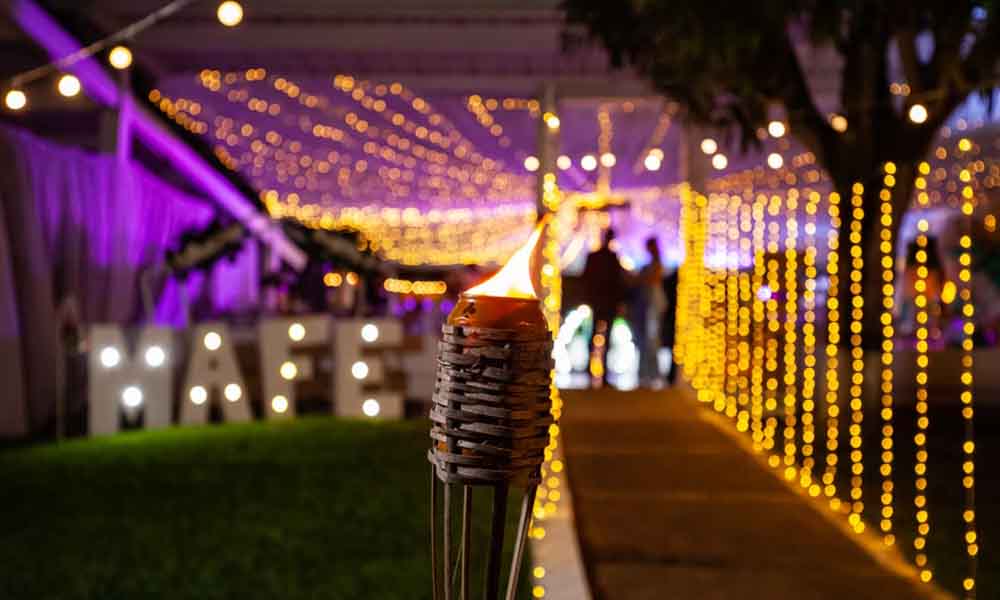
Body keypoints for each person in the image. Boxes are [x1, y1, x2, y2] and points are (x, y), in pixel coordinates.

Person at [580, 228, 626, 386]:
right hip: (607, 302)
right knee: (604, 337)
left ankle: (590, 370)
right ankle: (601, 373)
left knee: (593, 335)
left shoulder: (595, 257)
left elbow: (586, 279)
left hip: (598, 302)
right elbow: (618, 282)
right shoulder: (612, 258)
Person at [633, 237, 666, 387]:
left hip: (652, 303)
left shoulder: (656, 265)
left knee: (651, 339)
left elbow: (653, 280)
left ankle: (651, 373)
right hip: (646, 303)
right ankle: (648, 373)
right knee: (647, 339)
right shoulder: (651, 265)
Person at [661, 267, 679, 385]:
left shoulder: (669, 282)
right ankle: (671, 376)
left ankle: (671, 376)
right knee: (674, 348)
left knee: (673, 348)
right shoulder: (675, 281)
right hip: (673, 317)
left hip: (672, 317)